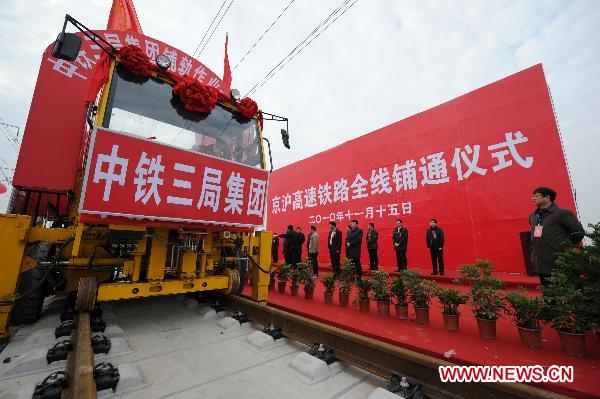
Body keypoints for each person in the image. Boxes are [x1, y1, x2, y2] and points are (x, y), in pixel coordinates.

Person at [529, 187, 584, 286]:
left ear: (547, 198)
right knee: (548, 293)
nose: (533, 198)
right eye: (533, 196)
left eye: (536, 196)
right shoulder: (533, 216)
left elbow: (578, 232)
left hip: (559, 261)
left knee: (567, 292)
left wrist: (566, 246)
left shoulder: (562, 213)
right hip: (541, 262)